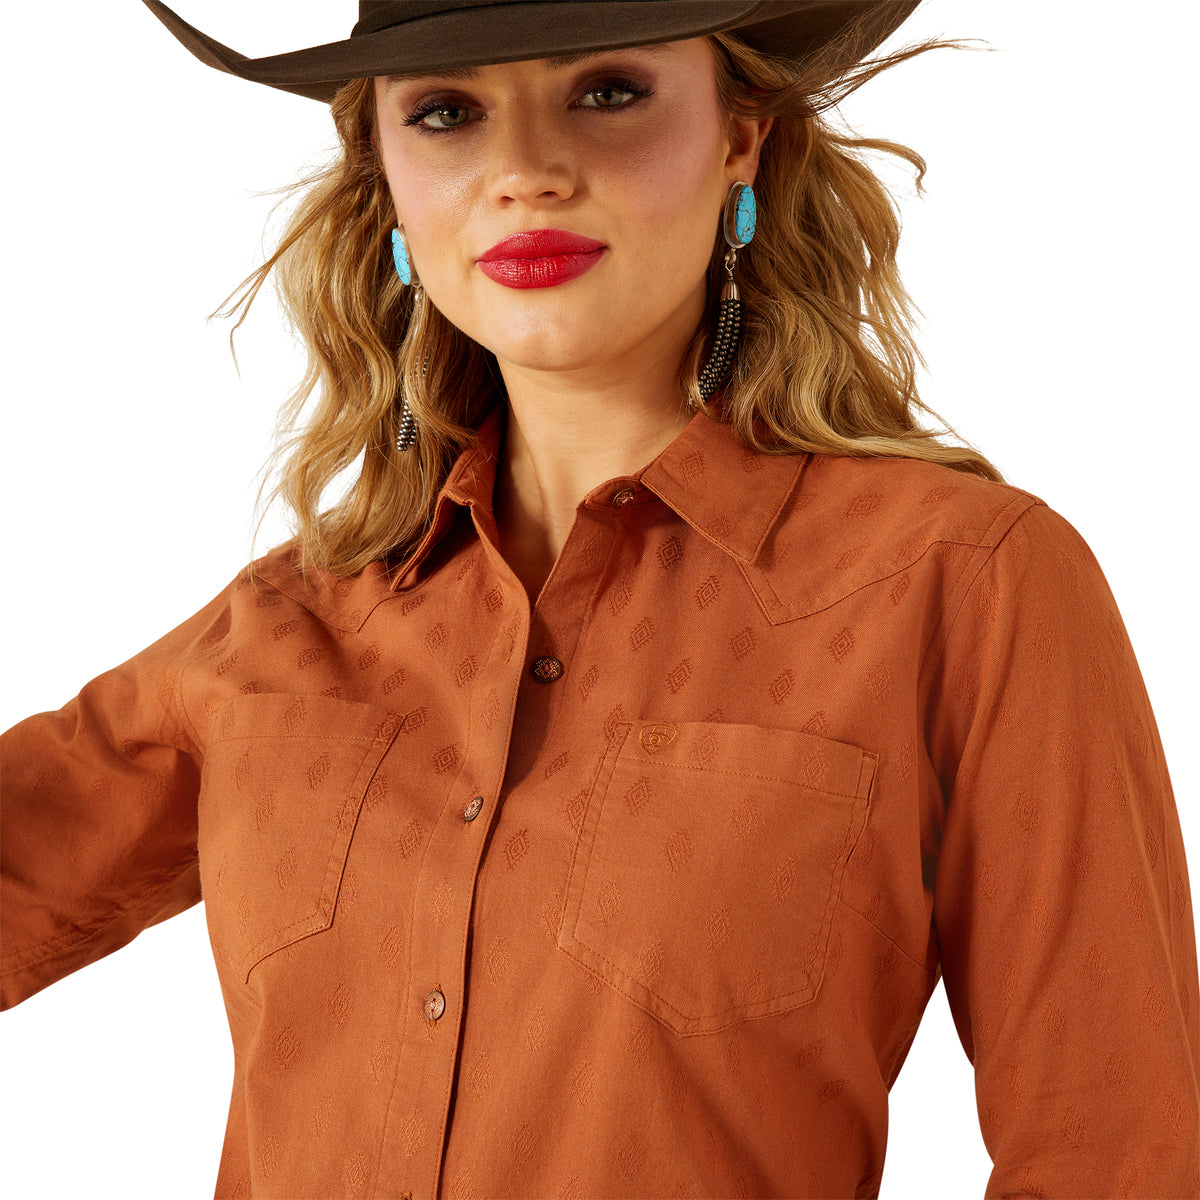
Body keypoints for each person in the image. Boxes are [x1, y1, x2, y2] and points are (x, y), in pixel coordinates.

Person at [2, 3, 1197, 1199]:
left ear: (742, 136)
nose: (525, 172)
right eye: (446, 113)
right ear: (388, 187)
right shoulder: (287, 626)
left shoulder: (963, 585)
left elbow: (1121, 1152)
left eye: (609, 91)